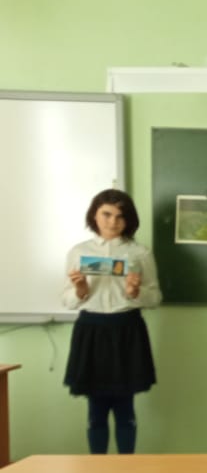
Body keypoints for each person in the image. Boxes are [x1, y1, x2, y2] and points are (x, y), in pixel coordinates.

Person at [62, 189, 160, 454]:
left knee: (125, 408)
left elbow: (155, 298)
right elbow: (68, 301)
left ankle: (126, 466)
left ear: (129, 220)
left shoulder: (139, 253)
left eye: (120, 216)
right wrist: (80, 289)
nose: (113, 222)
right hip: (91, 330)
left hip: (127, 329)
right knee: (95, 410)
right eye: (106, 214)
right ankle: (98, 467)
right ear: (94, 215)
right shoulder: (79, 252)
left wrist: (135, 292)